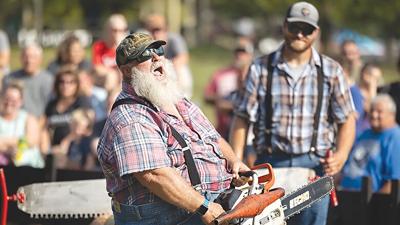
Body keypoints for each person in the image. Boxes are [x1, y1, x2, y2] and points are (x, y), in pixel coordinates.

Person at [97, 32, 250, 225]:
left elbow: (213, 138)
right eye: (145, 55)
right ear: (127, 71)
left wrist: (234, 160)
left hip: (200, 207)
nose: (156, 57)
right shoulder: (130, 117)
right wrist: (205, 207)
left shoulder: (177, 101)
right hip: (169, 216)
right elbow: (155, 175)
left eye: (158, 50)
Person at [230, 2, 356, 225]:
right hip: (269, 167)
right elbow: (242, 118)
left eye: (306, 29)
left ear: (316, 32)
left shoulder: (331, 71)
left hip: (314, 168)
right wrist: (237, 161)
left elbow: (346, 120)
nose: (299, 34)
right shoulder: (260, 68)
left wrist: (342, 155)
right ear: (284, 26)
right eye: (295, 26)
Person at [340, 94, 400, 194]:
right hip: (345, 195)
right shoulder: (365, 134)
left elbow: (395, 181)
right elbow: (346, 166)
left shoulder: (395, 137)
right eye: (372, 110)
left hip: (370, 202)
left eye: (379, 112)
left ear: (391, 114)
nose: (373, 115)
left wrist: (377, 206)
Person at [204, 40, 254, 140]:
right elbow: (207, 95)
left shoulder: (256, 74)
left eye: (243, 52)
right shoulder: (221, 74)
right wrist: (221, 100)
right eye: (237, 52)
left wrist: (234, 105)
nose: (239, 55)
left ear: (250, 55)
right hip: (223, 132)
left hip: (250, 135)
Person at [42, 67, 92, 156]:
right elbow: (44, 127)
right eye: (62, 82)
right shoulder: (51, 105)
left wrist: (66, 142)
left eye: (71, 82)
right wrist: (46, 149)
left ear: (77, 85)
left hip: (75, 150)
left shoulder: (81, 102)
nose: (66, 85)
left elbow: (85, 126)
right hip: (53, 150)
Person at [145, 14, 193, 98]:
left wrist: (167, 68)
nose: (156, 33)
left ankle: (182, 98)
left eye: (158, 29)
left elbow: (183, 57)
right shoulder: (147, 43)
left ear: (165, 29)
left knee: (181, 69)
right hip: (156, 75)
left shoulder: (174, 39)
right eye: (153, 30)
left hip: (174, 74)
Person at [3, 42, 54, 118]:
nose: (29, 61)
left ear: (40, 59)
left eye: (33, 57)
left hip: (41, 122)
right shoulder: (9, 79)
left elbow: (51, 107)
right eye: (26, 56)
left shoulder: (49, 80)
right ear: (21, 58)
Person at [0, 82, 44, 168]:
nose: (9, 102)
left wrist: (3, 141)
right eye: (7, 98)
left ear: (20, 101)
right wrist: (7, 150)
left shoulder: (29, 118)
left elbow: (31, 141)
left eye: (13, 100)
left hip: (29, 167)